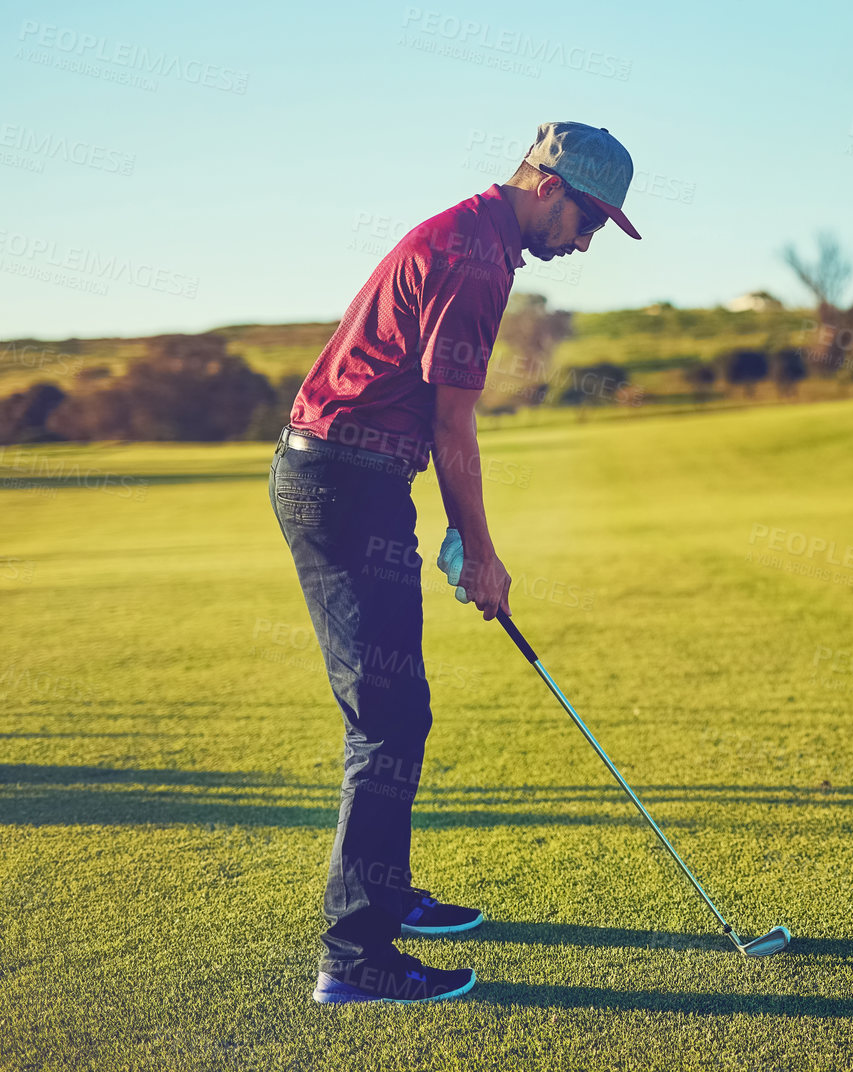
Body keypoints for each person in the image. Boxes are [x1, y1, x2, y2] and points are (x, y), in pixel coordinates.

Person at [268, 122, 642, 1004]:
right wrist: (480, 549)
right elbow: (453, 424)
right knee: (387, 721)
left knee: (399, 708)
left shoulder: (476, 236)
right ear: (547, 186)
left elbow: (425, 417)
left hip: (354, 477)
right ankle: (355, 957)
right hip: (343, 483)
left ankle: (385, 897)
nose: (586, 242)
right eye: (588, 220)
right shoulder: (477, 259)